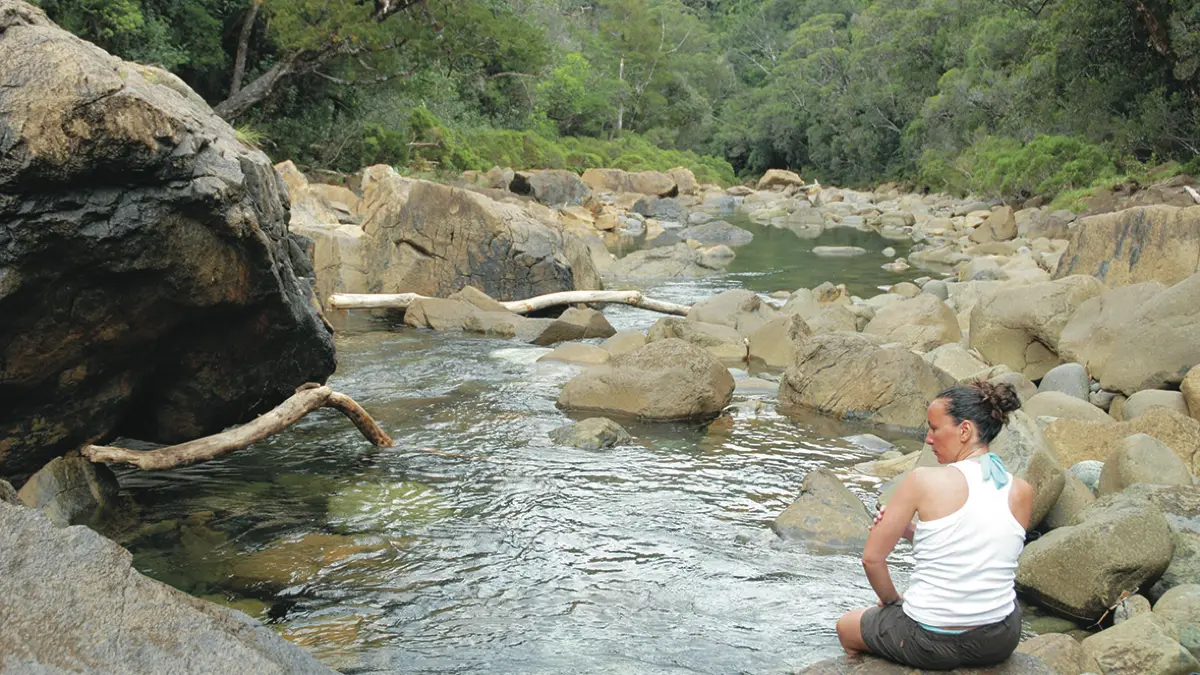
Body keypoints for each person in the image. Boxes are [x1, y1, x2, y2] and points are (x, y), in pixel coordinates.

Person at [835, 381, 1035, 670]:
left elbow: (872, 559)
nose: (928, 439)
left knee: (846, 626)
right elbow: (984, 554)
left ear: (964, 430)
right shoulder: (1021, 489)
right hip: (999, 640)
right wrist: (912, 533)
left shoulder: (922, 480)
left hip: (928, 642)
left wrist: (893, 603)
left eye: (934, 428)